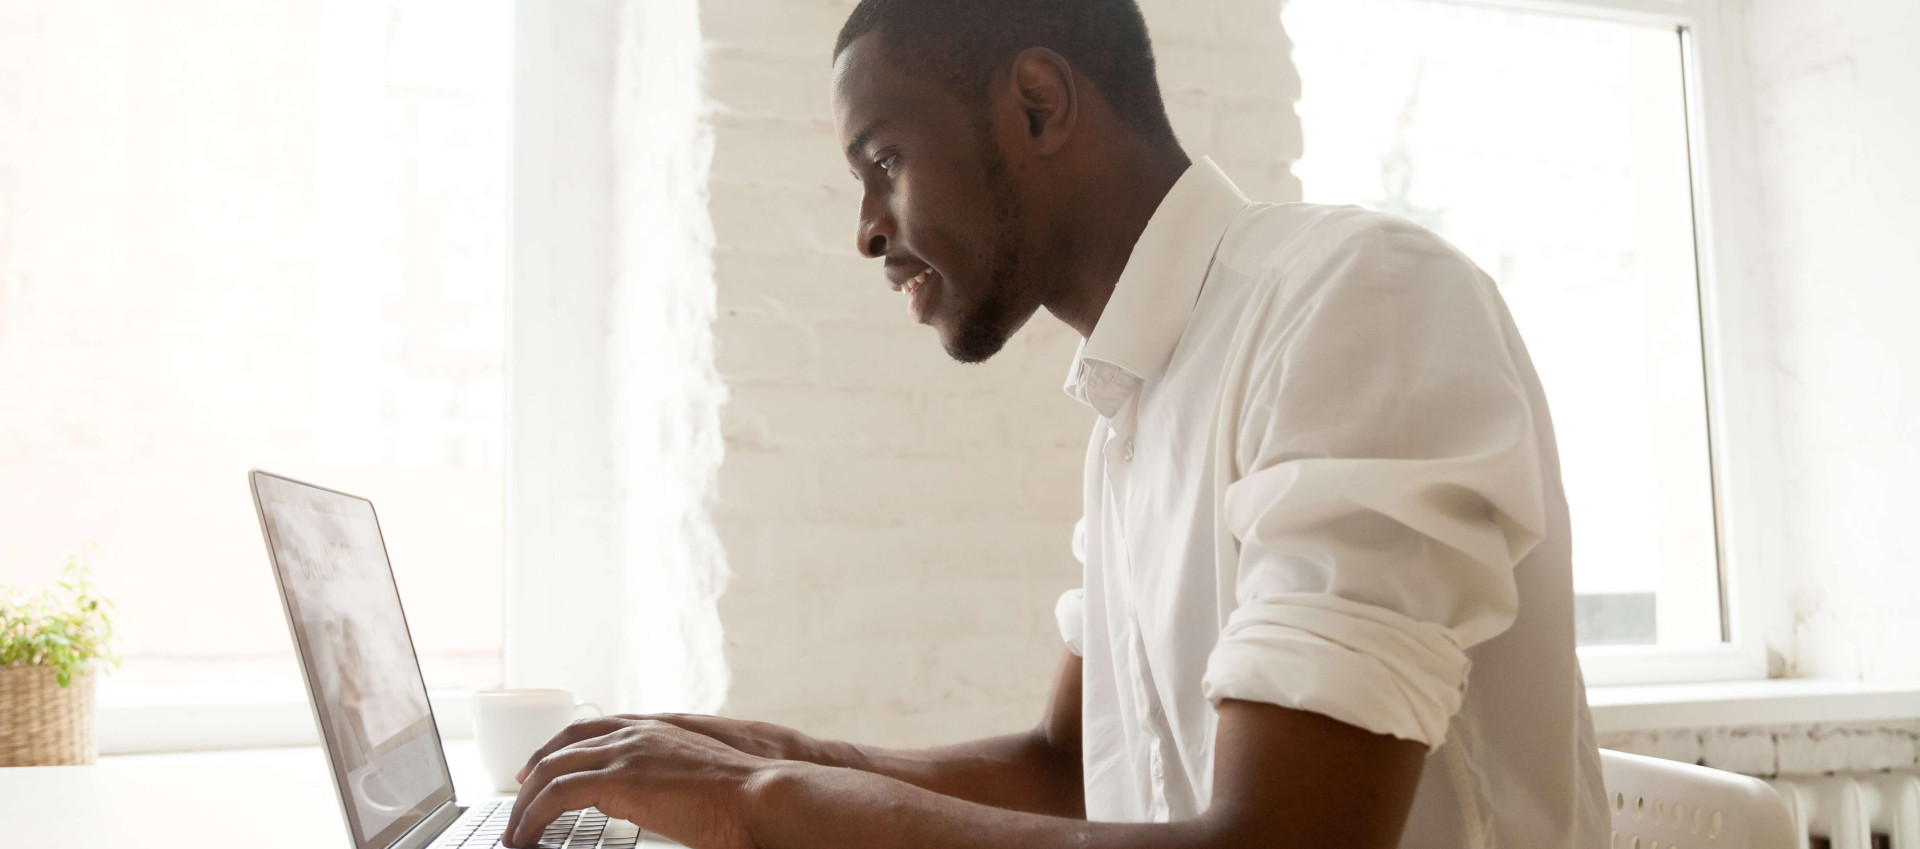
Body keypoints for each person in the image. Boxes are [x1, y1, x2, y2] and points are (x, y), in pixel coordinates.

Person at [502, 1, 1609, 847]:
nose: (865, 231)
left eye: (884, 158)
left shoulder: (1358, 299)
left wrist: (765, 803)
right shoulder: (1140, 392)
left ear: (1037, 104)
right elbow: (1065, 766)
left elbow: (1286, 844)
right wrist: (762, 751)